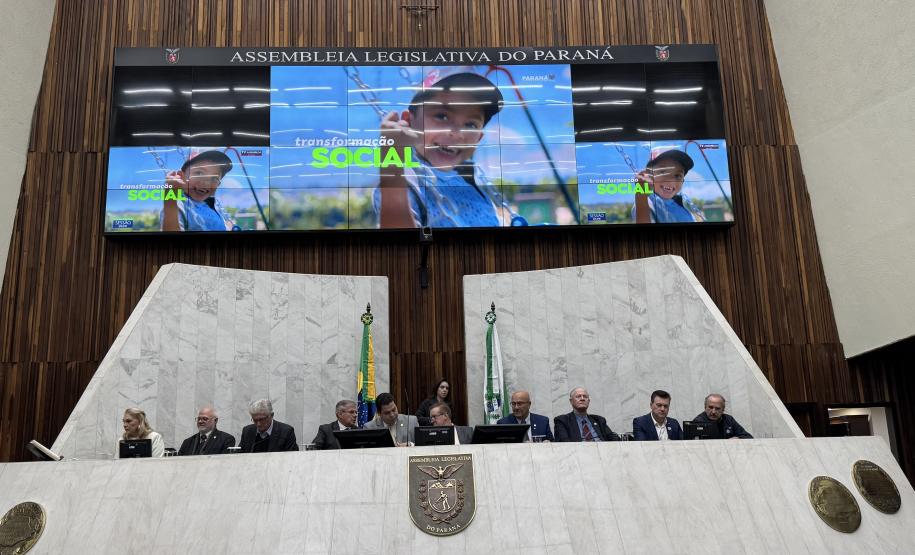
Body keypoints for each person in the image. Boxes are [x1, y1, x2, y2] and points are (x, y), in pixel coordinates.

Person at [375, 72, 509, 228]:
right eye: (442, 116)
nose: (457, 133)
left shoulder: (470, 180)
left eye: (470, 125)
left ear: (478, 138)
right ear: (408, 121)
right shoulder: (403, 181)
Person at [160, 149, 237, 231]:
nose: (206, 183)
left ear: (218, 185)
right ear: (181, 176)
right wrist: (170, 200)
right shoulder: (178, 205)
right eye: (199, 173)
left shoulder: (211, 208)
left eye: (214, 178)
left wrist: (230, 226)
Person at [632, 148, 705, 223]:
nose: (671, 181)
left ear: (682, 181)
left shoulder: (680, 206)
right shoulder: (646, 202)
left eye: (677, 176)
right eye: (663, 172)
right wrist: (641, 196)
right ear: (649, 175)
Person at [554, 387, 619, 442]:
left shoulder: (599, 420)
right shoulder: (562, 421)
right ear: (571, 401)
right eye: (578, 396)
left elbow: (613, 439)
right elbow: (564, 443)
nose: (582, 399)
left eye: (585, 396)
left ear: (588, 401)